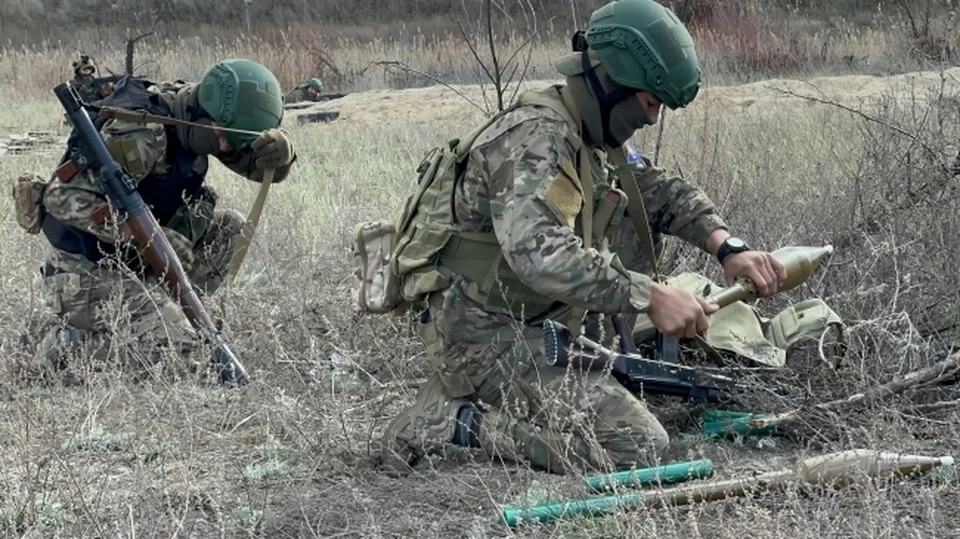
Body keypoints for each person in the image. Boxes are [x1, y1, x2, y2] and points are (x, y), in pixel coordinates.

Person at [376, 0, 788, 476]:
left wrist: (726, 246)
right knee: (638, 445)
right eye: (650, 102)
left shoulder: (588, 135)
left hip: (540, 324)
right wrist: (647, 294)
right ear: (612, 83)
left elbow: (655, 190)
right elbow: (540, 257)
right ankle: (453, 423)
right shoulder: (537, 138)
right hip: (483, 334)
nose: (652, 119)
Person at [33, 58, 296, 380]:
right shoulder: (143, 133)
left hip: (138, 262)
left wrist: (280, 156)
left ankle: (176, 317)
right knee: (185, 358)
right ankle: (66, 345)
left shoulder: (197, 115)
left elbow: (254, 165)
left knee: (231, 227)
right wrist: (139, 235)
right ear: (205, 116)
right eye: (223, 138)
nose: (226, 148)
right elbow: (60, 197)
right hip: (86, 271)